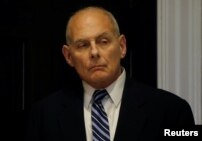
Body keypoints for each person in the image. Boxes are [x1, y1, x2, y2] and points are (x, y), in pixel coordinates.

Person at [26, 6, 195, 141]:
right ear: (69, 56)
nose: (94, 52)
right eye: (83, 45)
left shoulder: (172, 111)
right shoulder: (44, 115)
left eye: (103, 41)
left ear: (121, 47)